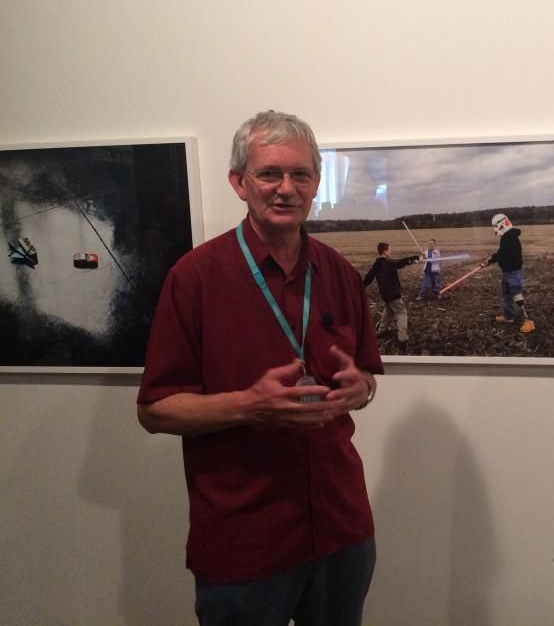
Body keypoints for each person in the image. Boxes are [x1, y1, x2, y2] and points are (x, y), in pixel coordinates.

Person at [136, 110, 382, 626]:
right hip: (246, 538)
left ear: (316, 184)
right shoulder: (195, 278)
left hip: (341, 527)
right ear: (239, 183)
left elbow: (366, 381)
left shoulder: (338, 273)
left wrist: (360, 390)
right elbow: (156, 410)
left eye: (301, 175)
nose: (286, 188)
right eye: (270, 174)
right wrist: (251, 406)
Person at [481, 213, 535, 334]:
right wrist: (491, 259)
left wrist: (490, 260)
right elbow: (502, 252)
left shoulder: (508, 237)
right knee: (506, 294)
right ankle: (508, 316)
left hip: (513, 272)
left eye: (495, 226)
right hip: (507, 271)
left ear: (500, 225)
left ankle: (528, 321)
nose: (494, 229)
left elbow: (502, 254)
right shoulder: (508, 236)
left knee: (517, 296)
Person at [363, 242, 419, 342]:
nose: (391, 251)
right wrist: (413, 259)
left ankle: (381, 331)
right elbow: (399, 263)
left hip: (385, 295)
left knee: (388, 312)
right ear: (385, 251)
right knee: (401, 312)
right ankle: (403, 337)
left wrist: (361, 287)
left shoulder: (376, 264)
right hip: (394, 294)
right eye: (389, 249)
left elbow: (368, 278)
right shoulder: (388, 263)